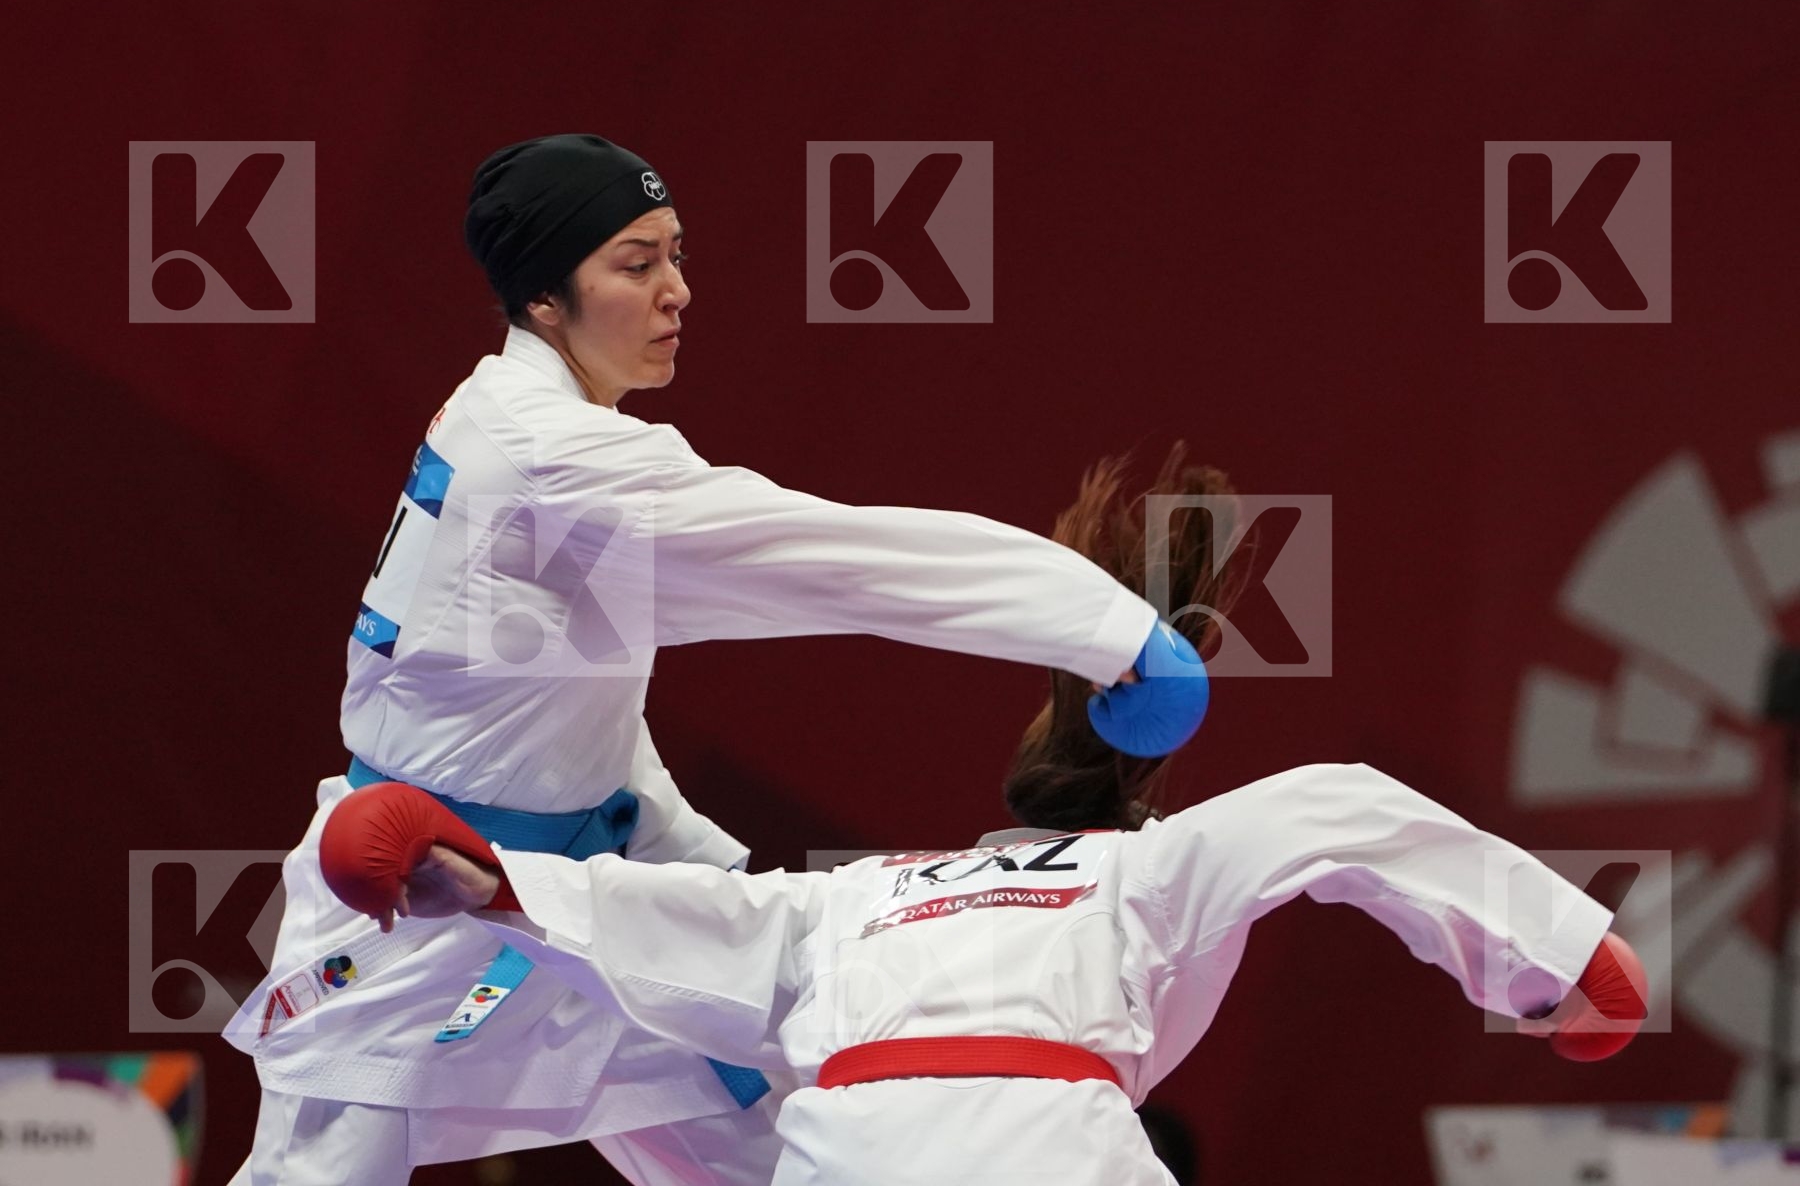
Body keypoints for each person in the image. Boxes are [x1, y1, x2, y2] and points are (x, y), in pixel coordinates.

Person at [223, 134, 1208, 1185]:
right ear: (545, 300)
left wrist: (686, 851)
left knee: (761, 1148)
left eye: (677, 255)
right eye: (635, 264)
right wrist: (1108, 630)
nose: (676, 291)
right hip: (420, 901)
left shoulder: (519, 418)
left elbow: (563, 696)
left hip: (583, 890)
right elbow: (841, 559)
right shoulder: (556, 460)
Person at [322, 448, 1650, 1185]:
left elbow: (669, 925)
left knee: (651, 1040)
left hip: (845, 1152)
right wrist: (1558, 968)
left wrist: (488, 876)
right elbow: (1334, 815)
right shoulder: (1146, 873)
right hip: (1044, 1152)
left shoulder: (855, 895)